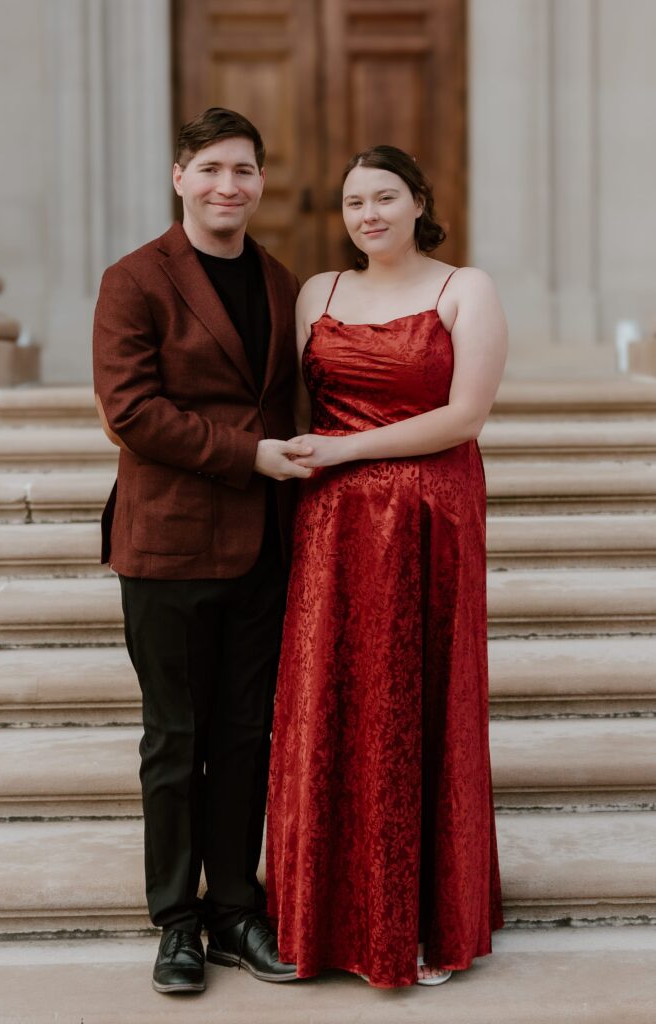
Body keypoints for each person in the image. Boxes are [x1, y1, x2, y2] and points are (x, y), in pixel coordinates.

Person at [266, 145, 507, 989]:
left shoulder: (462, 288)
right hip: (331, 529)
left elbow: (464, 415)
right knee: (334, 709)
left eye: (384, 197)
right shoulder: (315, 294)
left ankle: (420, 921)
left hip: (429, 518)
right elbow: (298, 411)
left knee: (416, 707)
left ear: (418, 201)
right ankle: (327, 918)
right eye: (352, 202)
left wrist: (347, 449)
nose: (367, 214)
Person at [92, 108, 312, 995]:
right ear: (180, 176)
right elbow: (131, 413)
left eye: (245, 170)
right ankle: (175, 924)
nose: (230, 185)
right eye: (212, 168)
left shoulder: (284, 281)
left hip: (265, 546)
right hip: (168, 548)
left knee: (246, 736)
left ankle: (235, 915)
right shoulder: (133, 280)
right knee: (176, 742)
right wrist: (247, 455)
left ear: (260, 183)